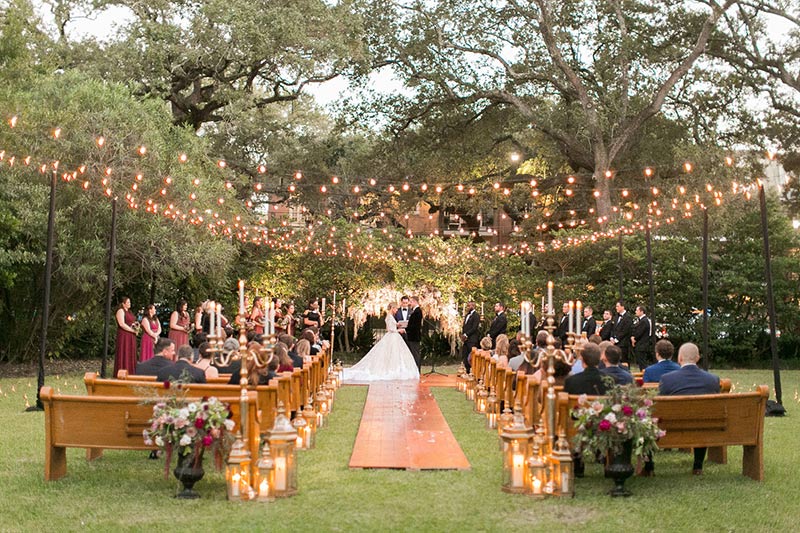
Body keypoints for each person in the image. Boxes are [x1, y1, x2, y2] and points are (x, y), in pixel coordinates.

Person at [642, 343, 721, 477]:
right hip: (704, 428)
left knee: (645, 419)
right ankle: (697, 466)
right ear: (697, 358)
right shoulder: (712, 380)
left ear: (679, 358)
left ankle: (649, 467)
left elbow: (659, 406)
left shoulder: (667, 379)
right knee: (700, 419)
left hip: (670, 427)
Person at [344, 302, 419, 381]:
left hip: (394, 336)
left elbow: (390, 326)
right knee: (392, 352)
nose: (397, 310)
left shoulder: (390, 316)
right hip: (393, 336)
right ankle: (392, 369)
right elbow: (389, 329)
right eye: (396, 309)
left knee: (395, 353)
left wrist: (397, 324)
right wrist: (399, 330)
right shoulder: (389, 316)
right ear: (392, 308)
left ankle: (393, 367)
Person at [113, 296, 138, 376]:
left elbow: (132, 322)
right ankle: (121, 370)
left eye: (130, 302)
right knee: (124, 351)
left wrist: (136, 327)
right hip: (124, 335)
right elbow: (122, 324)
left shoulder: (130, 312)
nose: (129, 304)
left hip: (131, 336)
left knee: (130, 352)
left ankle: (130, 371)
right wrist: (132, 330)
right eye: (128, 302)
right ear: (123, 304)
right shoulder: (120, 311)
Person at [461, 301, 481, 373]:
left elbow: (474, 327)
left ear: (473, 306)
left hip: (472, 339)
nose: (468, 307)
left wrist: (466, 334)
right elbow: (465, 326)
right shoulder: (467, 315)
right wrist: (463, 334)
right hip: (466, 339)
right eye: (467, 306)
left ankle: (473, 371)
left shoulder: (476, 315)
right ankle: (467, 370)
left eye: (469, 306)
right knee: (465, 355)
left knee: (471, 356)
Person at [631, 305, 652, 370]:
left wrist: (634, 338)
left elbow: (639, 333)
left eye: (637, 310)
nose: (635, 312)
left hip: (642, 345)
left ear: (642, 311)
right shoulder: (641, 320)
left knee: (642, 363)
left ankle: (644, 376)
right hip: (641, 345)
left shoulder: (644, 321)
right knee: (641, 362)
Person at [405, 296, 423, 370]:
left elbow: (414, 326)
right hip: (412, 336)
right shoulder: (415, 311)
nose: (410, 303)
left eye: (411, 302)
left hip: (414, 337)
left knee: (415, 354)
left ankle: (417, 370)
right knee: (413, 354)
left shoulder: (417, 311)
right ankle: (414, 370)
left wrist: (406, 329)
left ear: (415, 302)